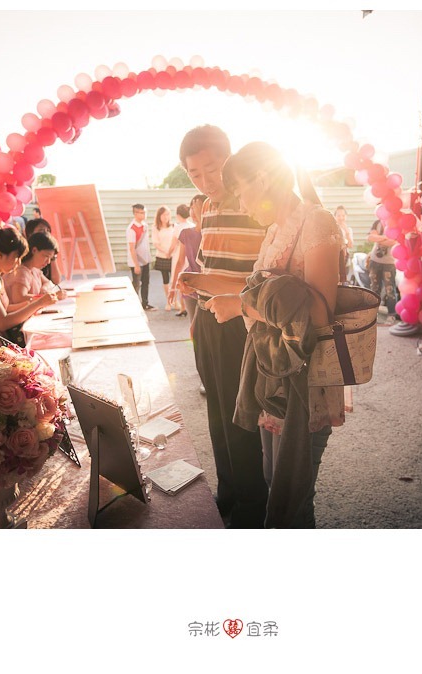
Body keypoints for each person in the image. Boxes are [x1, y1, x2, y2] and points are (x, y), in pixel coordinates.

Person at [205, 142, 345, 528]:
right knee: (273, 478)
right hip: (274, 373)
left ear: (263, 179)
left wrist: (242, 307)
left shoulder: (316, 223)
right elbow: (270, 297)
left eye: (240, 192)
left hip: (306, 379)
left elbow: (319, 315)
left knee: (292, 494)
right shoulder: (275, 231)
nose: (241, 204)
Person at [174, 125, 269, 528]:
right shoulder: (208, 207)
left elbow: (261, 280)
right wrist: (197, 287)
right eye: (194, 173)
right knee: (216, 410)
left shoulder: (253, 203)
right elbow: (212, 265)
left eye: (212, 169)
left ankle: (251, 507)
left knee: (241, 416)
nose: (205, 180)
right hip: (209, 318)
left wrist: (205, 281)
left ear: (230, 161)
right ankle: (228, 492)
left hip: (239, 322)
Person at [169, 195, 204, 324]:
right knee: (193, 325)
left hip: (209, 286)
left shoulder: (211, 233)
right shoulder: (185, 233)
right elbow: (180, 262)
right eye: (192, 208)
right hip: (190, 284)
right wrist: (173, 287)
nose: (194, 212)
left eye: (198, 208)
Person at [367, 219, 398, 320]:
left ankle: (391, 315)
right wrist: (385, 237)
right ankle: (373, 315)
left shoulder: (396, 223)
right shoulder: (377, 222)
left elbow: (393, 241)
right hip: (375, 260)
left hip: (389, 262)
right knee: (374, 289)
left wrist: (378, 238)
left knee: (390, 290)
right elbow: (371, 237)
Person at [126, 204, 155, 310]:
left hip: (145, 260)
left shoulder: (145, 226)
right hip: (136, 262)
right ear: (135, 213)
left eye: (145, 212)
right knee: (136, 284)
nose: (144, 214)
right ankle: (134, 306)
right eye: (142, 213)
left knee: (146, 283)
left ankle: (145, 303)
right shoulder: (132, 228)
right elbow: (132, 248)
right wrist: (136, 265)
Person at [168, 203, 192, 316]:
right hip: (190, 256)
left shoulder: (178, 227)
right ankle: (188, 305)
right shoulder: (192, 225)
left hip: (179, 255)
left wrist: (168, 253)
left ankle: (183, 307)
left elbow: (173, 245)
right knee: (188, 280)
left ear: (178, 215)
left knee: (179, 279)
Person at [25, 217, 61, 286]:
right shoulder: (25, 262)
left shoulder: (48, 253)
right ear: (30, 234)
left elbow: (56, 281)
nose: (46, 234)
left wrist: (52, 257)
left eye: (48, 231)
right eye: (41, 230)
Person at [151, 206, 175, 309]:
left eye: (168, 214)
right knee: (166, 280)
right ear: (159, 216)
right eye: (164, 214)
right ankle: (168, 302)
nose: (166, 217)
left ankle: (175, 301)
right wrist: (166, 252)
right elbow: (156, 243)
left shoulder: (174, 226)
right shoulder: (155, 228)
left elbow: (176, 241)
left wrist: (171, 252)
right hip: (162, 256)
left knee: (174, 280)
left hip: (173, 256)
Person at [334, 205, 354, 283]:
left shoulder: (349, 230)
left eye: (343, 215)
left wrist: (346, 232)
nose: (341, 218)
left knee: (343, 282)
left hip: (345, 261)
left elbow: (350, 245)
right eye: (338, 215)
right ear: (335, 217)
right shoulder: (333, 229)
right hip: (334, 260)